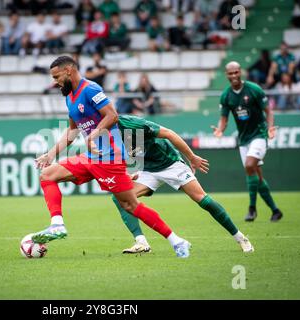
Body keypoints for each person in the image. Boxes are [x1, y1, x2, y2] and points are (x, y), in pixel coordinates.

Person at [32, 56, 192, 258]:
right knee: (47, 174)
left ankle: (177, 241)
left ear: (69, 71)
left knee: (130, 205)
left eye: (57, 77)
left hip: (109, 158)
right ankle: (57, 225)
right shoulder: (69, 97)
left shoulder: (90, 89)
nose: (54, 82)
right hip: (91, 157)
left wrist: (94, 134)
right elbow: (73, 132)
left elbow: (112, 115)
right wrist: (50, 153)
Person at [114, 114, 254, 254]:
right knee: (120, 196)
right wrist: (132, 171)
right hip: (147, 169)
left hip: (170, 164)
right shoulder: (101, 131)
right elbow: (126, 153)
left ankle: (241, 238)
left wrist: (192, 157)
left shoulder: (131, 123)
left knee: (202, 200)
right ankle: (141, 242)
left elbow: (169, 133)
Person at [212, 61, 283, 222]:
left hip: (259, 135)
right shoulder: (226, 95)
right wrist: (220, 130)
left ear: (240, 72)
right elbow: (224, 119)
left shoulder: (254, 89)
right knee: (255, 175)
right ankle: (275, 210)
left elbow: (268, 111)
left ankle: (252, 209)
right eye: (231, 73)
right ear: (226, 75)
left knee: (250, 166)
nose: (234, 76)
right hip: (243, 140)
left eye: (236, 72)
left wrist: (270, 128)